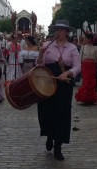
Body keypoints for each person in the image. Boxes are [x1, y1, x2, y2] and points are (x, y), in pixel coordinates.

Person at [36, 20, 81, 161]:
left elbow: (77, 67)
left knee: (62, 114)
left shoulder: (72, 48)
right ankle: (49, 135)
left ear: (67, 32)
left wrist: (67, 73)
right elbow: (39, 64)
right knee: (46, 111)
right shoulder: (47, 46)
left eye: (62, 30)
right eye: (57, 30)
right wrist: (41, 54)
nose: (58, 32)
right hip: (48, 82)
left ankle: (58, 146)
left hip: (64, 83)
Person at [75, 33, 97, 104]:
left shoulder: (96, 48)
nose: (84, 39)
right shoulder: (83, 47)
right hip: (85, 66)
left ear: (89, 39)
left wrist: (94, 60)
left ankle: (90, 98)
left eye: (86, 38)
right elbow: (80, 57)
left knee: (91, 82)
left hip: (92, 67)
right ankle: (85, 98)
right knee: (85, 82)